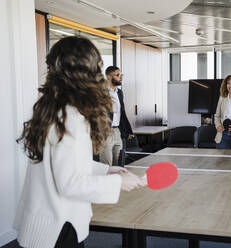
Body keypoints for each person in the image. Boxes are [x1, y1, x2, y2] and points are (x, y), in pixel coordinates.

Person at [14, 36, 145, 248]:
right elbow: (70, 183)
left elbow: (62, 165)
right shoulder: (71, 116)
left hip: (43, 224)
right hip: (58, 229)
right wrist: (119, 183)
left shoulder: (52, 108)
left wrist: (106, 171)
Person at [100, 66, 134, 167]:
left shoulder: (119, 92)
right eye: (118, 75)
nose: (121, 78)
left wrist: (127, 130)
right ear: (109, 77)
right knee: (107, 165)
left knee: (118, 164)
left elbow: (122, 113)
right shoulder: (101, 92)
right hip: (105, 132)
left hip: (117, 131)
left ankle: (116, 182)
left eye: (121, 75)